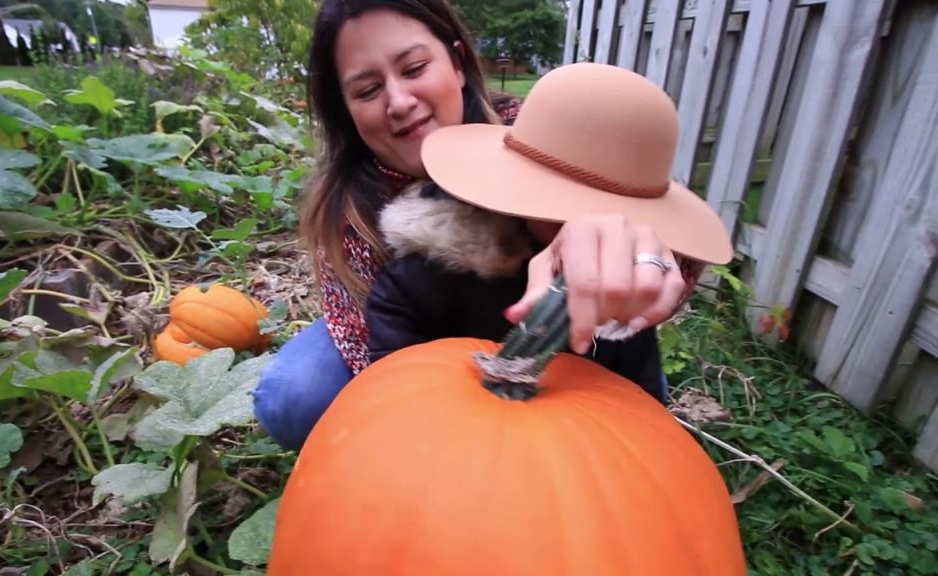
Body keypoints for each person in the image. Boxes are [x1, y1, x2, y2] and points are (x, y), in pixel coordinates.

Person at [252, 0, 717, 451]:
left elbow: (659, 236)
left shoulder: (541, 135)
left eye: (414, 68)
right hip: (429, 352)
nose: (399, 101)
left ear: (456, 63)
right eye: (368, 90)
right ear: (347, 109)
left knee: (633, 424)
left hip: (565, 357)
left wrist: (619, 242)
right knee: (297, 395)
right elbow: (384, 367)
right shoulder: (351, 212)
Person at [366, 62, 733, 401]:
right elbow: (394, 392)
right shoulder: (426, 278)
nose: (583, 225)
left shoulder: (622, 288)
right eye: (565, 211)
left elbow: (640, 402)